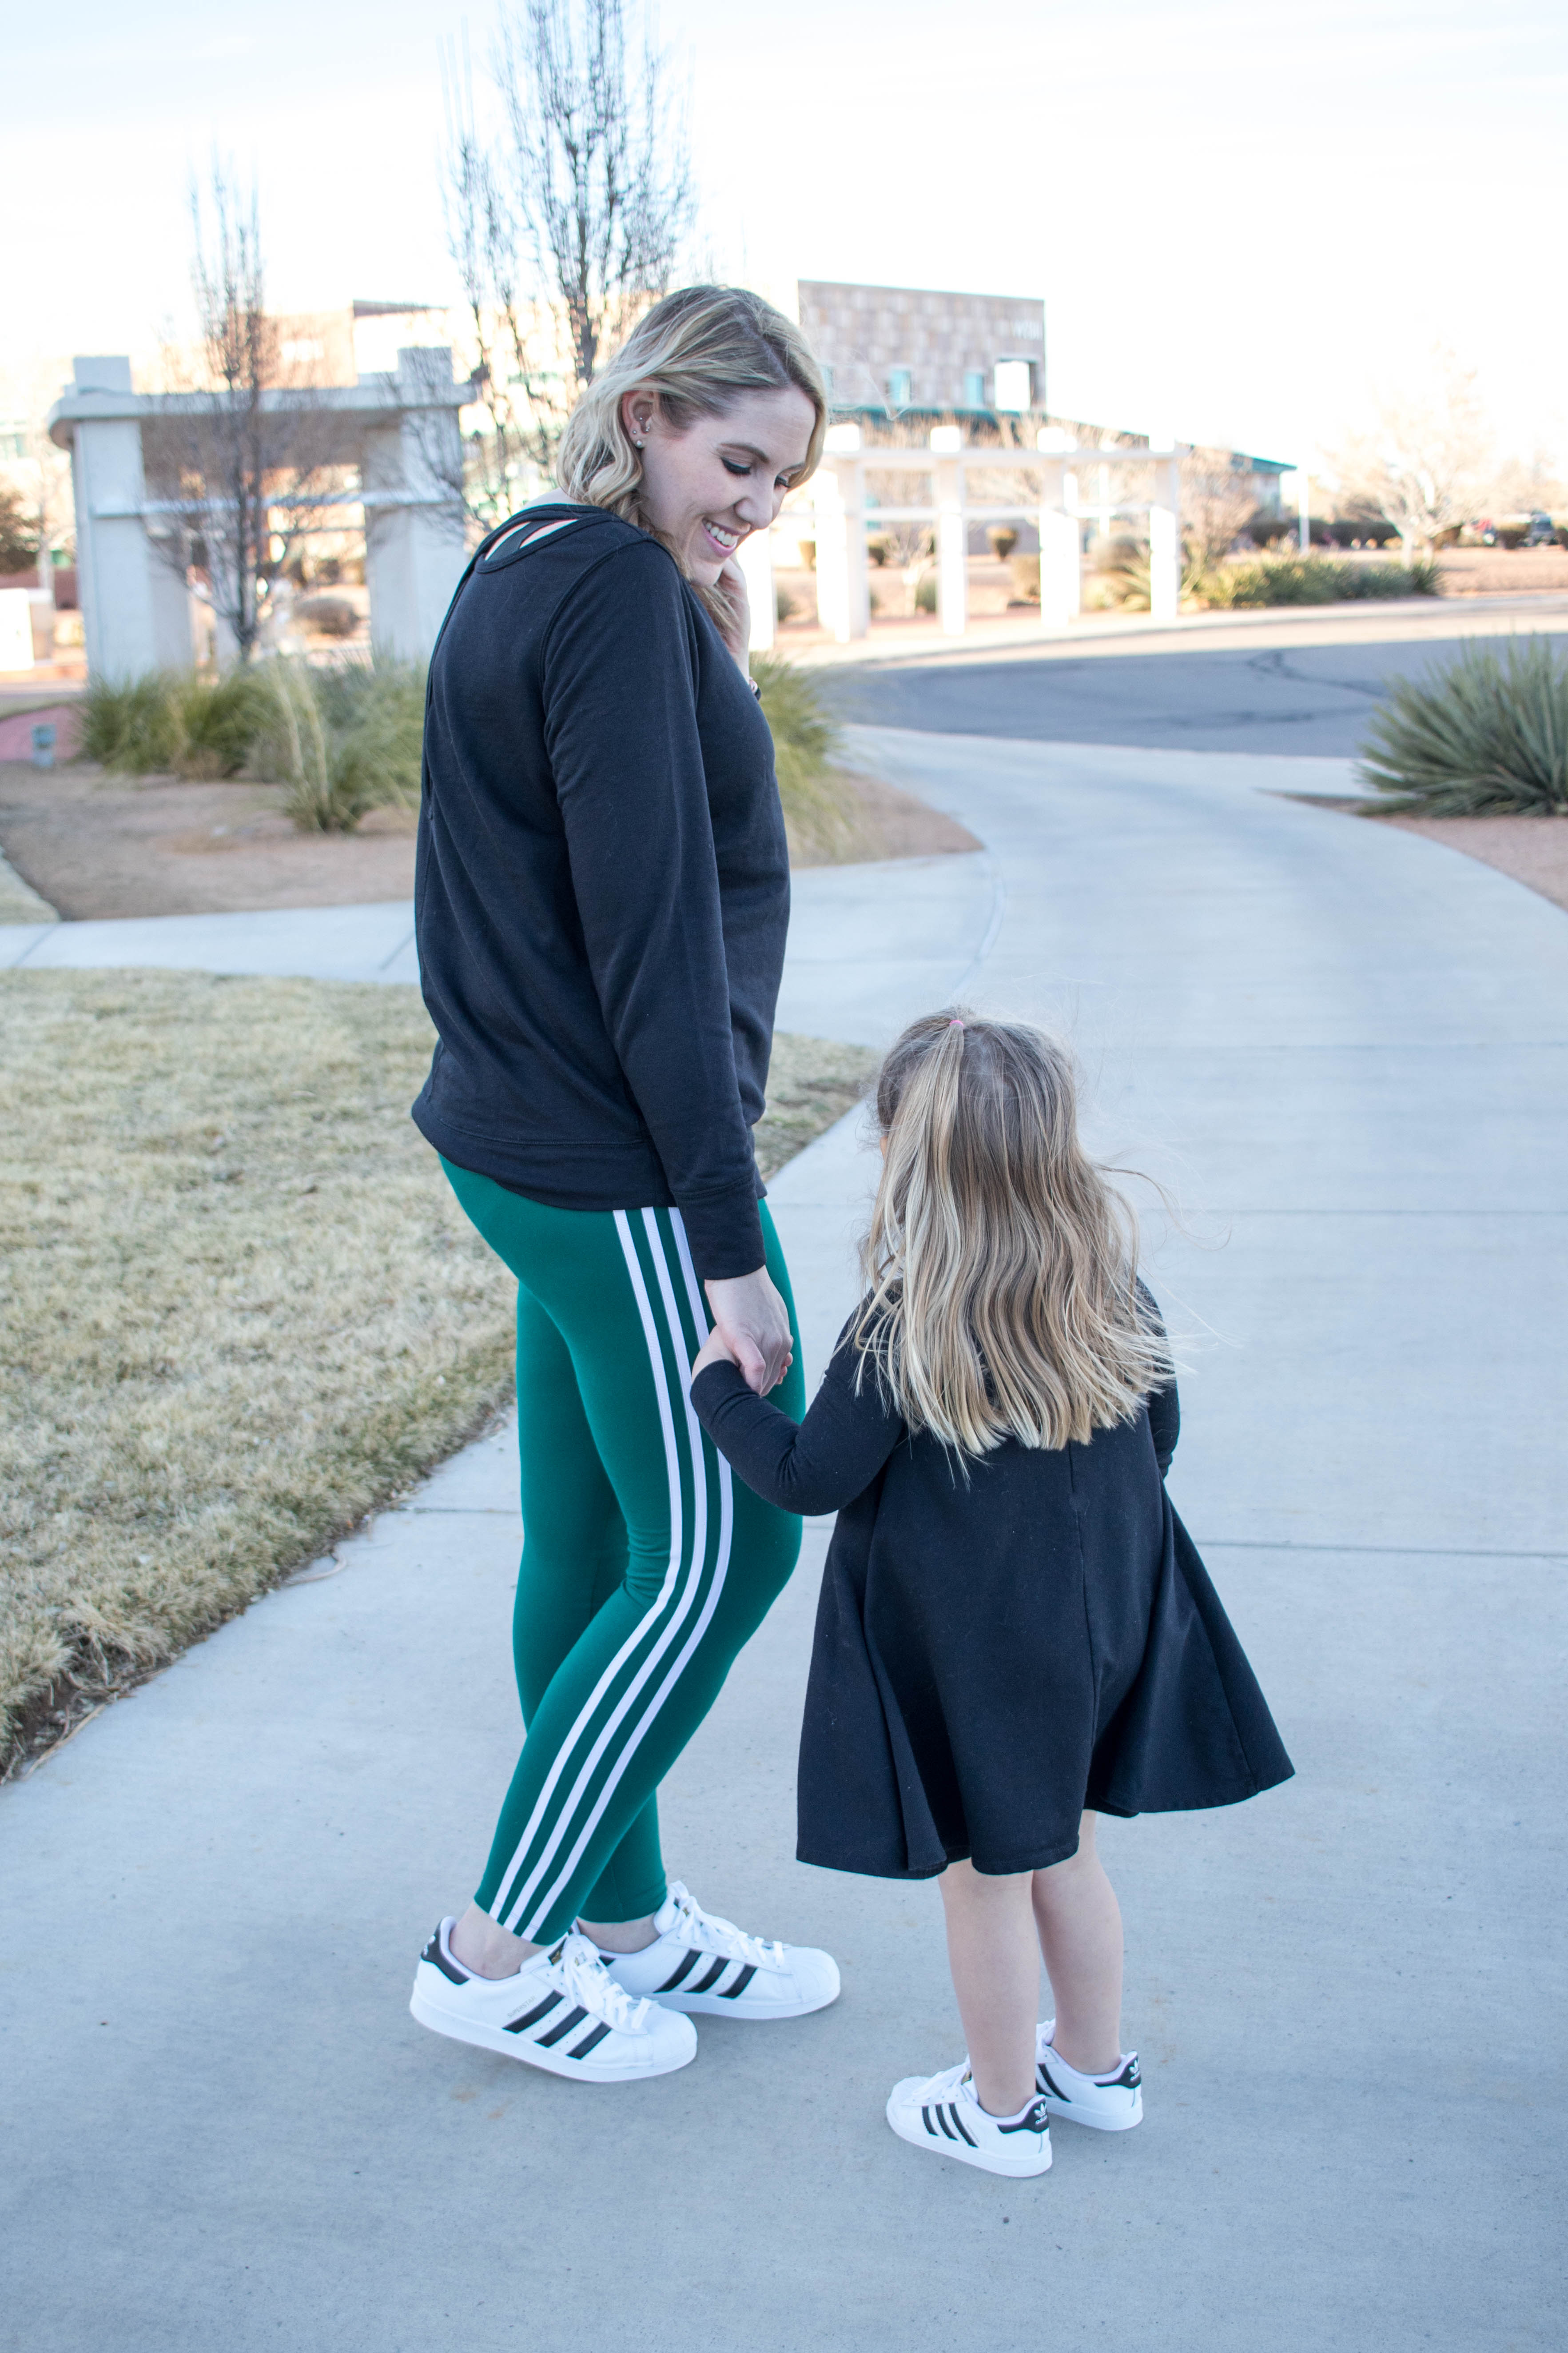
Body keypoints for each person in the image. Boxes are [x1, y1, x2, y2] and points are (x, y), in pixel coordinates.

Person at [407, 287, 844, 2086]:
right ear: (649, 413)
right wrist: (726, 1242)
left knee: (595, 1546)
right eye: (736, 462)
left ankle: (627, 1920)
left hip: (532, 1149)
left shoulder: (529, 564)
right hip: (618, 1176)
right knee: (735, 1538)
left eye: (781, 484)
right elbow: (652, 945)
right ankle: (492, 1951)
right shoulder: (603, 591)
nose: (755, 505)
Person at [690, 1012, 1293, 2176]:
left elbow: (811, 1479)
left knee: (983, 1876)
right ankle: (1094, 2069)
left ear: (904, 1157)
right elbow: (1156, 1438)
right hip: (1101, 1622)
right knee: (1062, 1848)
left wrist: (721, 1393)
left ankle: (1002, 2112)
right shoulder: (1103, 1286)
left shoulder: (905, 1318)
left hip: (980, 1655)